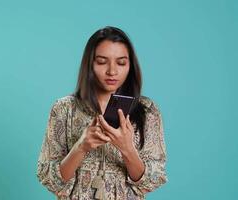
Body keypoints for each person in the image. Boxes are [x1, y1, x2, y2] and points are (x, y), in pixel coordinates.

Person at [36, 26, 167, 200]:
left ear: (131, 66)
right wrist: (81, 146)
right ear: (89, 64)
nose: (112, 71)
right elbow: (50, 180)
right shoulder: (63, 109)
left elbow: (153, 180)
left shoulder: (148, 110)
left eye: (121, 63)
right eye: (102, 61)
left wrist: (127, 148)